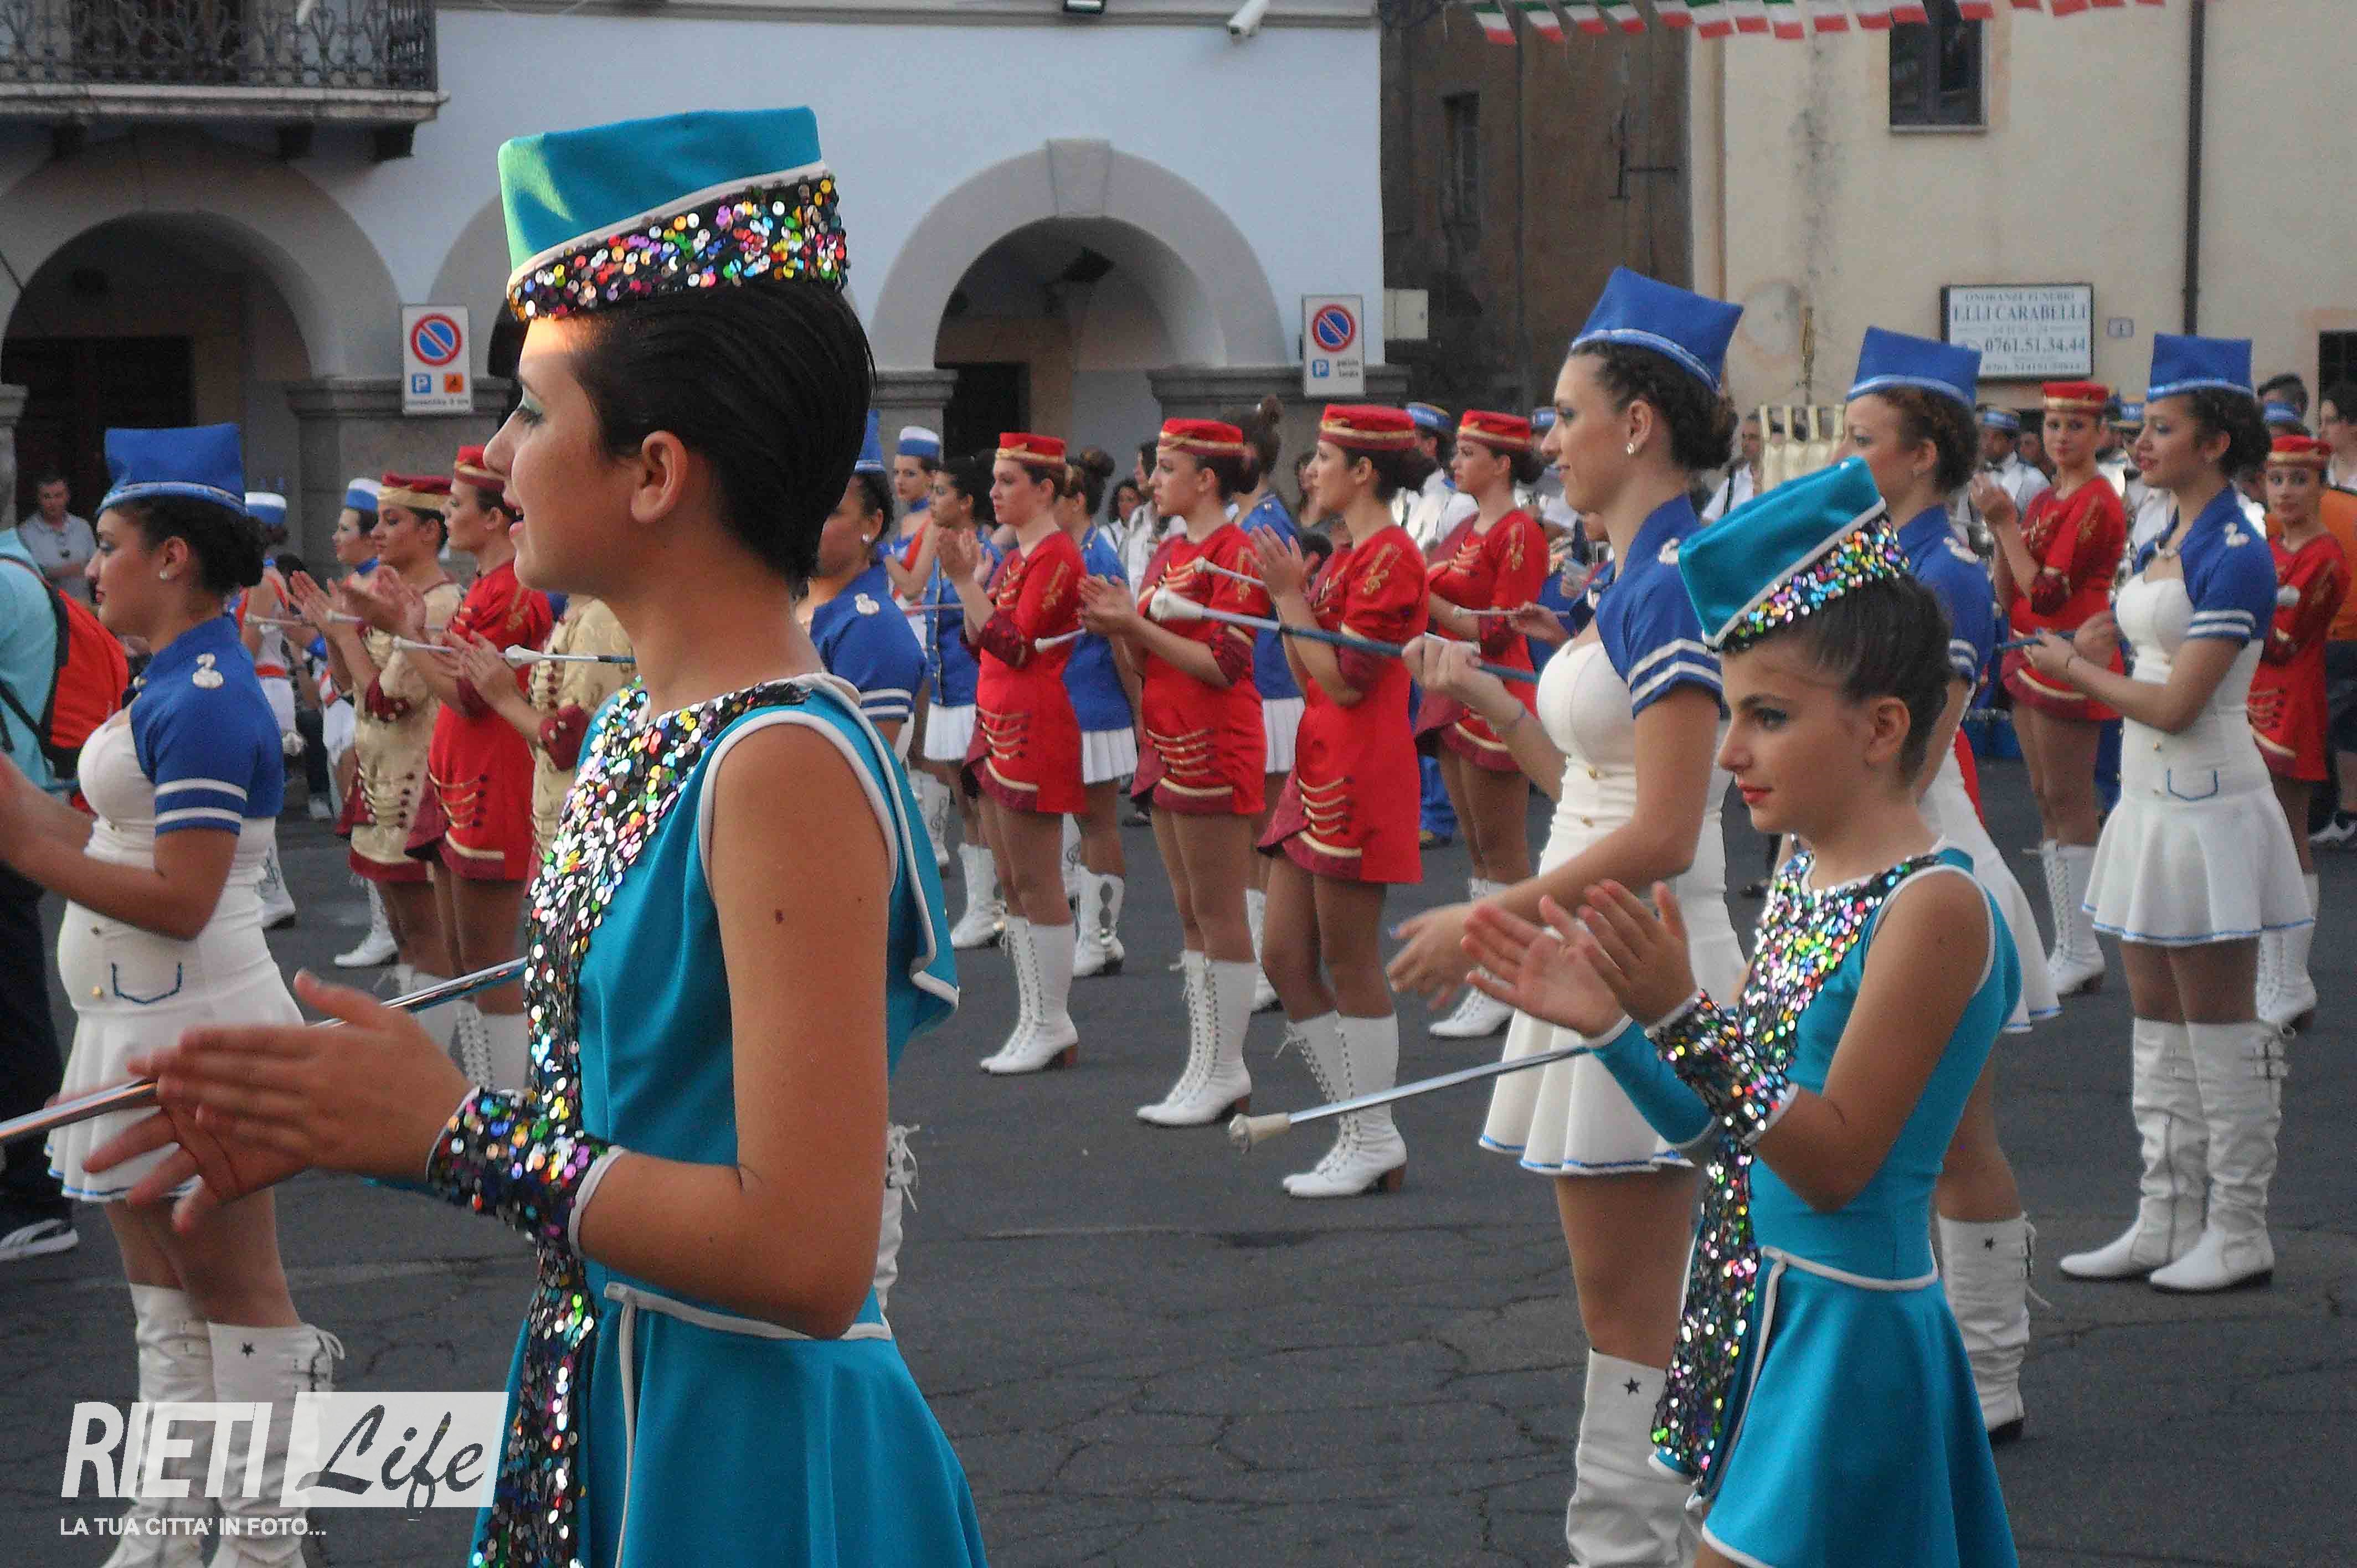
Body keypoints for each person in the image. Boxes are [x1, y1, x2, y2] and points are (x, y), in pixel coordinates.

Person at [89, 105, 987, 1568]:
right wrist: (348, 1112)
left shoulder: (781, 763)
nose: (497, 455)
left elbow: (809, 1256)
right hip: (614, 1389)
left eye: (530, 410)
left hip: (749, 1451)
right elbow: (622, 1128)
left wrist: (454, 1134)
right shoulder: (650, 723)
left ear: (654, 470)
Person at [1462, 457, 2022, 1568]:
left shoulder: (1934, 906)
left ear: (1881, 727)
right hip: (1765, 1316)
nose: (1728, 751)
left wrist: (1679, 1014)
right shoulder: (1808, 874)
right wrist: (1612, 1028)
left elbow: (1833, 1164)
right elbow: (1731, 1144)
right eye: (1731, 711)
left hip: (1850, 1338)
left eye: (1767, 716)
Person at [1397, 268, 1746, 1564]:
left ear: (1637, 424)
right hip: (1596, 936)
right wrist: (1490, 699)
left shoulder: (1671, 581)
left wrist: (1483, 915)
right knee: (1638, 1309)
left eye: (1564, 413)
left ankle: (1635, 1545)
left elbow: (1666, 830)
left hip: (1637, 948)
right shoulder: (1634, 573)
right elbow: (1591, 790)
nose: (1549, 439)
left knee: (1636, 1312)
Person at [3, 424, 337, 1560]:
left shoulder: (205, 694)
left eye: (109, 543)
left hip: (198, 1026)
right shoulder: (172, 679)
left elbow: (184, 897)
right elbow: (108, 838)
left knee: (236, 1299)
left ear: (173, 556)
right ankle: (170, 1528)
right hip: (140, 1021)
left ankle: (262, 1541)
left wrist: (25, 843)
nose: (90, 567)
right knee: (164, 1305)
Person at [2042, 334, 2308, 1296]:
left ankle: (2238, 1228)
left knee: (2220, 1026)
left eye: (2161, 428)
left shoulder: (2236, 549)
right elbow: (2154, 655)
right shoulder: (2164, 531)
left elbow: (2179, 705)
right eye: (2142, 427)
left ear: (2214, 441)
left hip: (2207, 802)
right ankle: (2166, 1217)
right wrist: (2100, 639)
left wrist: (2075, 671)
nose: (2140, 442)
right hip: (2153, 798)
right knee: (2155, 1018)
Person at [1841, 328, 2058, 1442]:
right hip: (1864, 852)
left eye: (1863, 440)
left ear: (1922, 454)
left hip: (1926, 859)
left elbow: (1919, 754)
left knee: (1954, 1138)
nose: (1847, 457)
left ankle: (1988, 1368)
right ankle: (1926, 1355)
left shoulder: (1949, 576)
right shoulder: (1872, 559)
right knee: (1877, 1137)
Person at [1252, 405, 1427, 1198]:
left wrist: (1290, 600)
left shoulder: (1392, 559)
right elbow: (1307, 674)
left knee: (1349, 958)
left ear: (1363, 472)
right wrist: (1290, 601)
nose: (1310, 471)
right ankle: (1354, 1123)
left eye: (1324, 458)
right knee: (1284, 956)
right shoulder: (1348, 557)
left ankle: (1372, 1133)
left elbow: (1348, 681)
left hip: (1360, 767)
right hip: (1318, 762)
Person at [1080, 419, 1267, 1125]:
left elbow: (1224, 665)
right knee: (1190, 913)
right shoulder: (1168, 550)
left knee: (1219, 912)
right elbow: (1147, 657)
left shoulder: (1236, 553)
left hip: (1214, 741)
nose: (1151, 481)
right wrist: (1118, 627)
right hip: (1167, 738)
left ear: (1206, 479)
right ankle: (1204, 1062)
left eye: (1165, 469)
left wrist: (1134, 626)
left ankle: (1228, 1068)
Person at [391, 446, 554, 1092]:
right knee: (462, 959)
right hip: (457, 778)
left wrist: (405, 638)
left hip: (491, 782)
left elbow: (467, 696)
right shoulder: (487, 587)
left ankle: (507, 1102)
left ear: (493, 519)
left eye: (456, 506)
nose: (447, 517)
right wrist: (414, 634)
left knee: (487, 962)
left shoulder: (513, 592)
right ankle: (479, 1090)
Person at [292, 476, 467, 1055]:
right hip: (384, 777)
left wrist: (344, 634)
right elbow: (351, 686)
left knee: (425, 934)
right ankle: (414, 1050)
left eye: (393, 522)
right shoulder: (394, 598)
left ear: (430, 532)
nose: (378, 533)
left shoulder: (438, 606)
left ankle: (428, 1062)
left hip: (417, 784)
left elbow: (387, 701)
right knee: (403, 931)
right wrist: (335, 633)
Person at [938, 431, 1087, 1076]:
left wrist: (962, 583)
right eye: (995, 481)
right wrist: (972, 584)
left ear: (1045, 489)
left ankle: (1052, 1020)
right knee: (1013, 882)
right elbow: (980, 641)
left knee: (1036, 880)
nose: (993, 492)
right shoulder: (1018, 558)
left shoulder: (1056, 557)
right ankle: (1033, 1016)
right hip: (997, 717)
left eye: (1007, 482)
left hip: (1032, 721)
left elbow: (1015, 644)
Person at [1979, 382, 2129, 999]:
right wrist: (2002, 534)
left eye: (2076, 426)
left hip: (2071, 650)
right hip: (2030, 650)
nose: (2061, 437)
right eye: (2053, 425)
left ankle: (2082, 946)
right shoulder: (2044, 498)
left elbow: (2044, 593)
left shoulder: (2096, 501)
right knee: (2045, 797)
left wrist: (2004, 526)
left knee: (2069, 799)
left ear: (2100, 434)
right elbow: (2009, 590)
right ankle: (2067, 942)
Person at [1417, 410, 1547, 1042]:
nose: (1455, 462)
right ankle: (1491, 974)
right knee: (1475, 849)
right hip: (1455, 689)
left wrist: (1427, 600)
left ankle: (1514, 978)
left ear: (1502, 464)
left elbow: (1499, 628)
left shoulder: (1520, 531)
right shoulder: (1465, 527)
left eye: (1469, 453)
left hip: (1495, 690)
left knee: (1502, 848)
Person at [2246, 434, 2347, 1033]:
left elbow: (2283, 642)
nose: (2285, 492)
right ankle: (2272, 976)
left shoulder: (2325, 556)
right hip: (2247, 697)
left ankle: (2290, 980)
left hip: (2290, 702)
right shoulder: (2266, 547)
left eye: (2299, 480)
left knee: (2286, 835)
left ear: (2321, 486)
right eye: (2276, 479)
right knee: (2259, 838)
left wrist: (2228, 612)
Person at [0, 501, 75, 1265]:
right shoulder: (19, 573)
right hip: (20, 811)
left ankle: (35, 1195)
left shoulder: (2, 582)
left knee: (14, 1014)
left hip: (9, 817)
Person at [1226, 396, 1302, 1012]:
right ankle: (1259, 952)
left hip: (1274, 687)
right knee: (1257, 832)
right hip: (1256, 684)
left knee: (1269, 833)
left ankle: (1273, 957)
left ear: (1246, 456)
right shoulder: (1245, 518)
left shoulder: (1269, 522)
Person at [916, 452, 1005, 950]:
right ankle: (981, 906)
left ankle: (992, 907)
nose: (932, 500)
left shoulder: (982, 552)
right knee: (966, 806)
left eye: (941, 492)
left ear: (967, 502)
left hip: (974, 692)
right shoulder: (943, 550)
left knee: (984, 804)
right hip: (947, 692)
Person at [1056, 447, 1138, 978]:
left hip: (1096, 706)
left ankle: (1101, 937)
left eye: (1054, 495)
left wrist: (1139, 713)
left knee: (1098, 824)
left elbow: (1121, 643)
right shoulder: (1072, 549)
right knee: (1085, 822)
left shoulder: (1098, 558)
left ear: (1077, 502)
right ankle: (1093, 934)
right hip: (1072, 703)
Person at [801, 417, 928, 746]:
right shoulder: (781, 604)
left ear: (872, 524)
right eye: (801, 505)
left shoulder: (872, 628)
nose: (805, 522)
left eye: (830, 511)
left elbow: (859, 765)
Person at [22, 472, 97, 605]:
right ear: (38, 499)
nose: (53, 503)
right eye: (47, 497)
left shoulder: (83, 527)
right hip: (47, 609)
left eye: (58, 496)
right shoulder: (25, 533)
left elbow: (97, 568)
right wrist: (61, 572)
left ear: (67, 497)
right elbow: (24, 577)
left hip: (83, 609)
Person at [1699, 410, 1768, 523]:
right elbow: (1708, 518)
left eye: (1753, 438)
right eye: (1744, 437)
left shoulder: (1776, 479)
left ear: (1766, 440)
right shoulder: (1734, 481)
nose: (1745, 444)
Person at [1978, 408, 2049, 515]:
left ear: (2012, 442)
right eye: (1985, 436)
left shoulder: (2034, 481)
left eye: (1996, 437)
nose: (1987, 443)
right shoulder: (1975, 475)